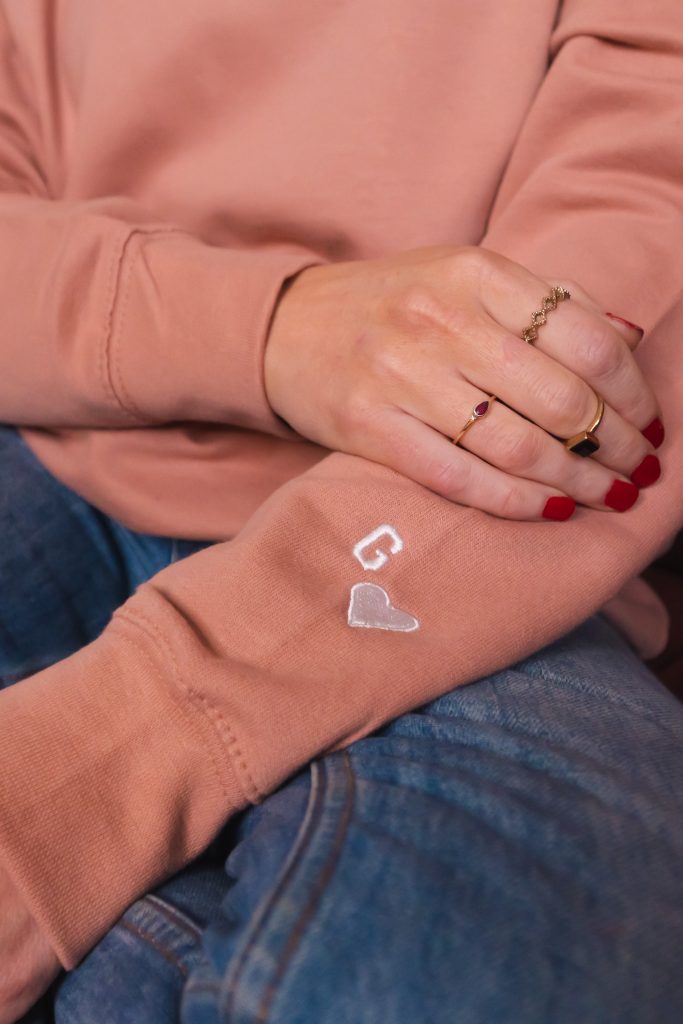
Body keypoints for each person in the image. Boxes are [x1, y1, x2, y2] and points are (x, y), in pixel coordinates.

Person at [1, 1, 683, 1020]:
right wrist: (272, 329)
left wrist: (97, 766)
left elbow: (607, 318)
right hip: (50, 449)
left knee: (417, 983)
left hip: (482, 560)